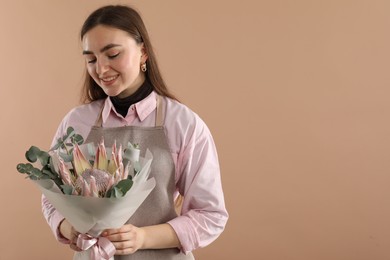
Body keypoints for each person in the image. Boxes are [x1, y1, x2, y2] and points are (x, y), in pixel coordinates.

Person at [42, 4, 228, 259]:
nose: (101, 69)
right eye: (91, 59)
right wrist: (68, 227)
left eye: (113, 54)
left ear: (143, 53)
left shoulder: (183, 123)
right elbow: (51, 198)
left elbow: (211, 215)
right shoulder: (77, 122)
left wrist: (142, 237)